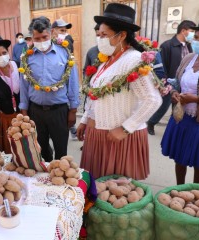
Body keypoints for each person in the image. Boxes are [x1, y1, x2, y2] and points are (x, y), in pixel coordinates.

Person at [76, 3, 162, 180]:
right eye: (98, 35)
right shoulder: (106, 59)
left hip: (117, 137)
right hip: (97, 133)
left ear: (122, 35)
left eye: (104, 35)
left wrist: (125, 128)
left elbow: (153, 100)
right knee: (96, 187)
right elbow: (96, 94)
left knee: (113, 191)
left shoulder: (133, 60)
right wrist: (85, 119)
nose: (99, 39)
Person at [19, 16, 79, 162]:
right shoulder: (27, 57)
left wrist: (73, 110)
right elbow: (24, 85)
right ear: (32, 37)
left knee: (61, 151)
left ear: (51, 33)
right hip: (36, 111)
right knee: (40, 149)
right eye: (36, 38)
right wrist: (24, 111)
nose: (41, 42)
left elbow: (72, 83)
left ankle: (59, 180)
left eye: (44, 37)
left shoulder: (64, 53)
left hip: (59, 111)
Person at [161, 13, 199, 185]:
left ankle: (196, 194)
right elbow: (176, 80)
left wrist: (196, 99)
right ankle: (179, 189)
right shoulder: (188, 58)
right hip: (181, 118)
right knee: (179, 158)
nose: (197, 41)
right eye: (196, 37)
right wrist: (174, 92)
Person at [147, 20, 196, 135]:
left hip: (184, 82)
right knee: (163, 106)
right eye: (192, 31)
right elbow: (161, 66)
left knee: (178, 107)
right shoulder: (167, 45)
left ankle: (174, 129)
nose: (194, 34)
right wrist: (164, 83)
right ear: (183, 31)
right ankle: (151, 123)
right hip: (169, 82)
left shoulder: (190, 46)